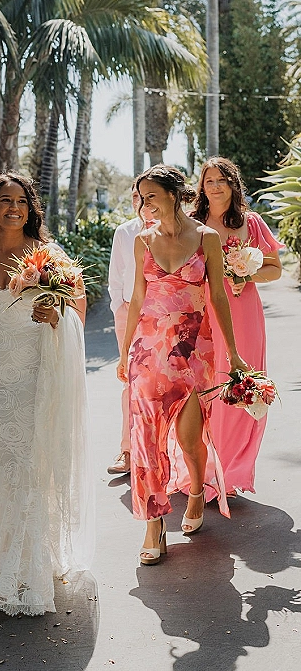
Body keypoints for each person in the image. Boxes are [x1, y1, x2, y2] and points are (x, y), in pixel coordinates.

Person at [0, 173, 94, 616]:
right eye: (4, 201)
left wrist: (57, 314)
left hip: (32, 377)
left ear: (32, 209)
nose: (13, 208)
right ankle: (0, 551)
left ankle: (22, 567)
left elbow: (79, 311)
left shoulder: (48, 256)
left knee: (29, 470)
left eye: (21, 202)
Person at [117, 166, 248, 566]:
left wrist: (236, 353)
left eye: (151, 195)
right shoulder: (141, 241)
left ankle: (194, 488)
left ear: (174, 195)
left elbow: (219, 298)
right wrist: (124, 354)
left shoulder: (206, 238)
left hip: (194, 350)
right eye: (141, 197)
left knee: (191, 439)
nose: (145, 204)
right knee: (147, 439)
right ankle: (154, 524)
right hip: (149, 351)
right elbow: (137, 300)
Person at [192, 156, 283, 495]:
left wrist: (246, 274)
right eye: (209, 180)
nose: (215, 186)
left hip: (245, 314)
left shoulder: (252, 222)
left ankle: (231, 473)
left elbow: (275, 269)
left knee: (242, 387)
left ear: (233, 184)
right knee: (207, 388)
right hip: (205, 313)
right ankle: (204, 469)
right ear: (202, 186)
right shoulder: (193, 223)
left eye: (221, 180)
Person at [107, 182, 142, 475]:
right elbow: (115, 275)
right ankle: (127, 450)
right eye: (135, 196)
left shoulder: (178, 230)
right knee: (130, 383)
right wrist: (119, 307)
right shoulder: (125, 231)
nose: (139, 201)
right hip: (129, 311)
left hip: (166, 316)